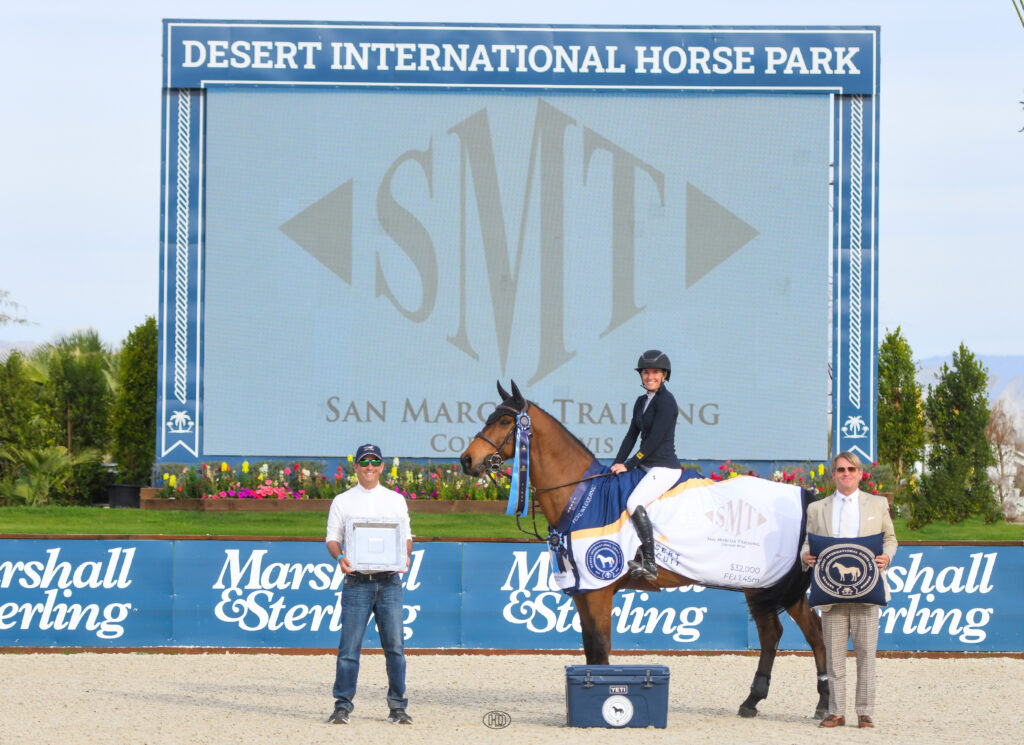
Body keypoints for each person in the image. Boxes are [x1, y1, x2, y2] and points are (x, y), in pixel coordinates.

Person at [801, 451, 897, 729]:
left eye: (851, 469)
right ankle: (836, 712)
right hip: (831, 593)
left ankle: (864, 712)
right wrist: (805, 556)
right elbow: (808, 542)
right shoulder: (817, 509)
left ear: (859, 474)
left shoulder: (878, 504)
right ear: (834, 474)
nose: (846, 474)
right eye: (841, 469)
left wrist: (887, 556)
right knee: (834, 657)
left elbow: (891, 538)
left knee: (866, 656)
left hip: (868, 591)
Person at [325, 443, 414, 725]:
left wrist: (405, 555)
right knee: (349, 649)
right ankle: (342, 706)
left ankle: (397, 707)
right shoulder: (342, 500)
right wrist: (339, 557)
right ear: (356, 466)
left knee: (395, 648)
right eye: (364, 462)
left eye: (375, 462)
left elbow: (407, 537)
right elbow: (332, 539)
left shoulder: (395, 499)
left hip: (389, 582)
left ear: (382, 466)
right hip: (357, 582)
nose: (369, 467)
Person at [610, 349, 682, 581]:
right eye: (646, 372)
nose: (650, 377)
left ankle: (650, 563)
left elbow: (653, 441)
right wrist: (617, 462)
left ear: (664, 375)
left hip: (664, 468)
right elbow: (631, 435)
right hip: (646, 466)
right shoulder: (641, 401)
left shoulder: (667, 401)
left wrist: (630, 464)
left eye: (655, 373)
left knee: (634, 502)